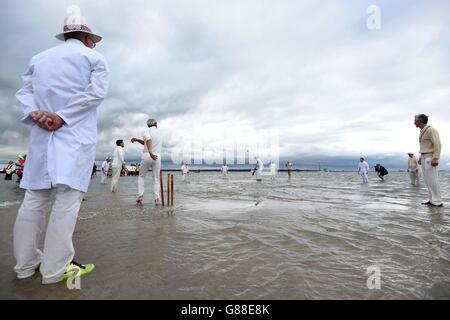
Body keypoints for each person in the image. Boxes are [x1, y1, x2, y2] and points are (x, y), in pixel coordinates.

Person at [13, 9, 108, 284]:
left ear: (66, 34)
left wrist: (34, 113)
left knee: (34, 200)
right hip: (74, 136)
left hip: (42, 136)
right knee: (66, 201)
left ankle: (24, 266)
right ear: (88, 37)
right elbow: (95, 94)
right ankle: (54, 271)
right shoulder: (94, 58)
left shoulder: (38, 58)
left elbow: (23, 92)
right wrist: (62, 116)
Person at [131, 118, 162, 205]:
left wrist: (150, 152)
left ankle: (140, 196)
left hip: (147, 155)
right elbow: (146, 142)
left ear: (148, 125)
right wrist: (137, 140)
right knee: (156, 179)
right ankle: (157, 199)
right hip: (157, 156)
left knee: (141, 176)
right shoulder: (160, 132)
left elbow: (148, 140)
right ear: (155, 124)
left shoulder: (146, 132)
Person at [415, 114, 443, 207]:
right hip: (424, 157)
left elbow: (437, 144)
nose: (414, 122)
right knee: (427, 180)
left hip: (430, 157)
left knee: (433, 179)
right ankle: (431, 199)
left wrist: (436, 158)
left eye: (415, 120)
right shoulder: (422, 131)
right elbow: (424, 146)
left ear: (420, 121)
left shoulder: (431, 130)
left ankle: (437, 201)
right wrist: (420, 158)